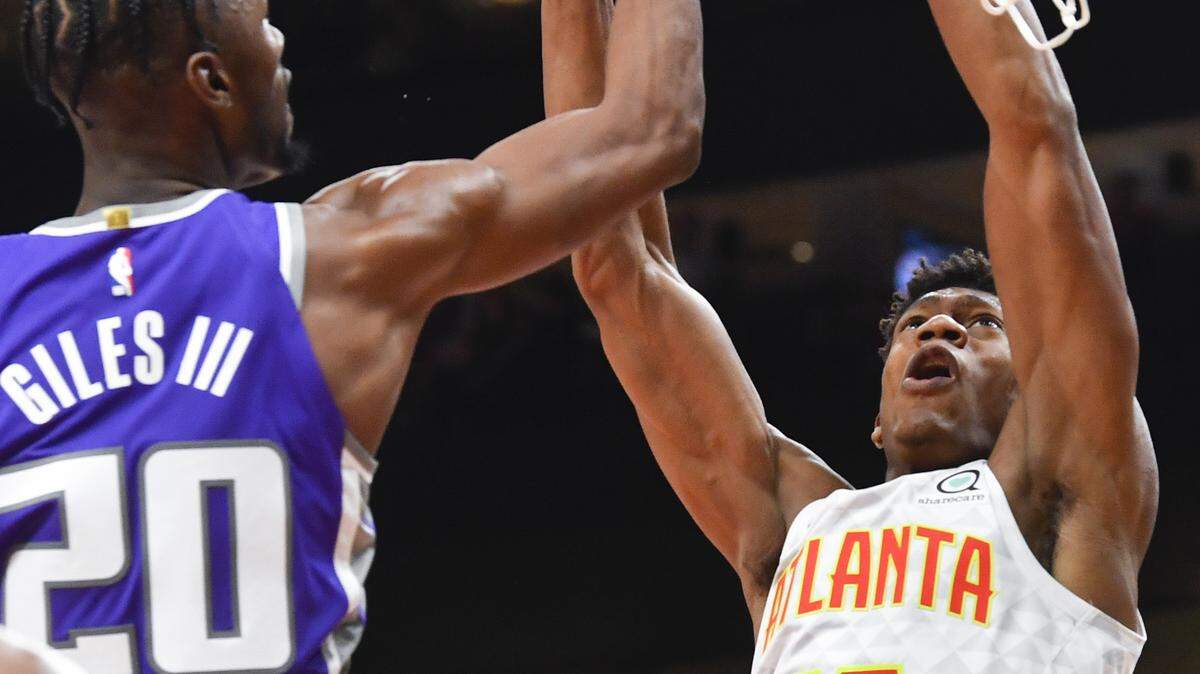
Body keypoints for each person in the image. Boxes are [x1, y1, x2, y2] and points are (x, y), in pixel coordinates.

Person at [0, 0, 704, 672]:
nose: (278, 45)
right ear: (210, 81)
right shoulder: (340, 258)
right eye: (266, 23)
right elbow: (647, 130)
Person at [547, 1, 1156, 672]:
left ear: (1029, 388)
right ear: (876, 420)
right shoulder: (794, 520)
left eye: (983, 325)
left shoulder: (1059, 495)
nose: (942, 327)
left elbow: (1035, 128)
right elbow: (615, 265)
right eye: (914, 326)